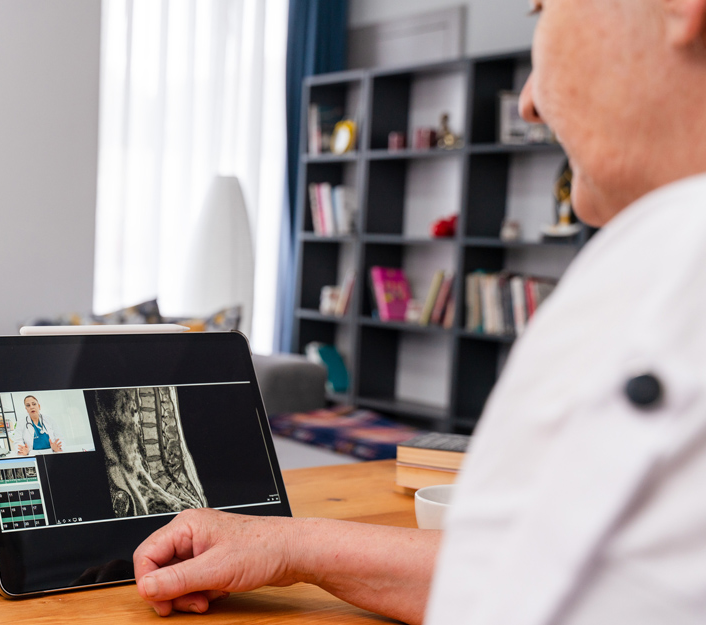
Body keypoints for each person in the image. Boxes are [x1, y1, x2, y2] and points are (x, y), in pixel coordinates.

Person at [131, 1, 706, 622]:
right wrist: (291, 544)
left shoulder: (673, 262)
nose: (529, 102)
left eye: (542, 7)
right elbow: (512, 576)